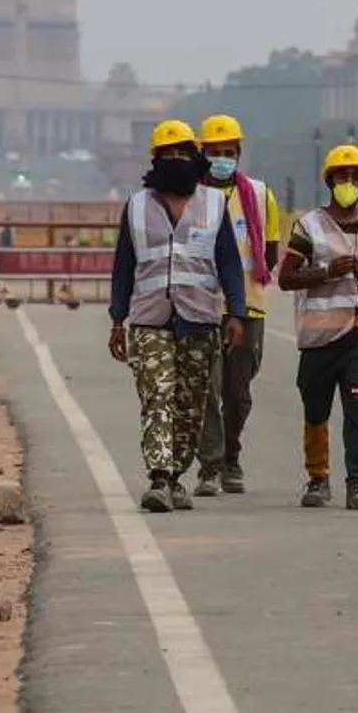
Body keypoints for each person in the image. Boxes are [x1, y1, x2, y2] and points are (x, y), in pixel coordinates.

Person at [108, 118, 247, 513]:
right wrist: (118, 320)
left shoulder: (214, 204)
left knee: (191, 405)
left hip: (199, 318)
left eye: (182, 153)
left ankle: (178, 473)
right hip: (150, 318)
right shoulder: (136, 206)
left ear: (193, 157)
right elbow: (123, 267)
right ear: (154, 160)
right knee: (158, 397)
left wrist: (236, 313)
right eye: (166, 155)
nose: (175, 160)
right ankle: (159, 477)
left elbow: (229, 264)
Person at [278, 144, 358, 510]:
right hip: (319, 336)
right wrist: (328, 271)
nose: (348, 182)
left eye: (354, 177)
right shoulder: (309, 226)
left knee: (357, 407)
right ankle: (318, 478)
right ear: (330, 181)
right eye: (341, 177)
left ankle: (356, 483)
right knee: (316, 411)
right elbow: (286, 278)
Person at [192, 114, 281, 497]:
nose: (222, 159)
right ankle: (211, 465)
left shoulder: (260, 195)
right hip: (200, 306)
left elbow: (271, 251)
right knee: (204, 389)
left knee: (237, 393)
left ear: (239, 154)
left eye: (229, 152)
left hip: (248, 307)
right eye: (215, 153)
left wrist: (241, 291)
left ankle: (231, 452)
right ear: (203, 154)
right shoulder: (190, 196)